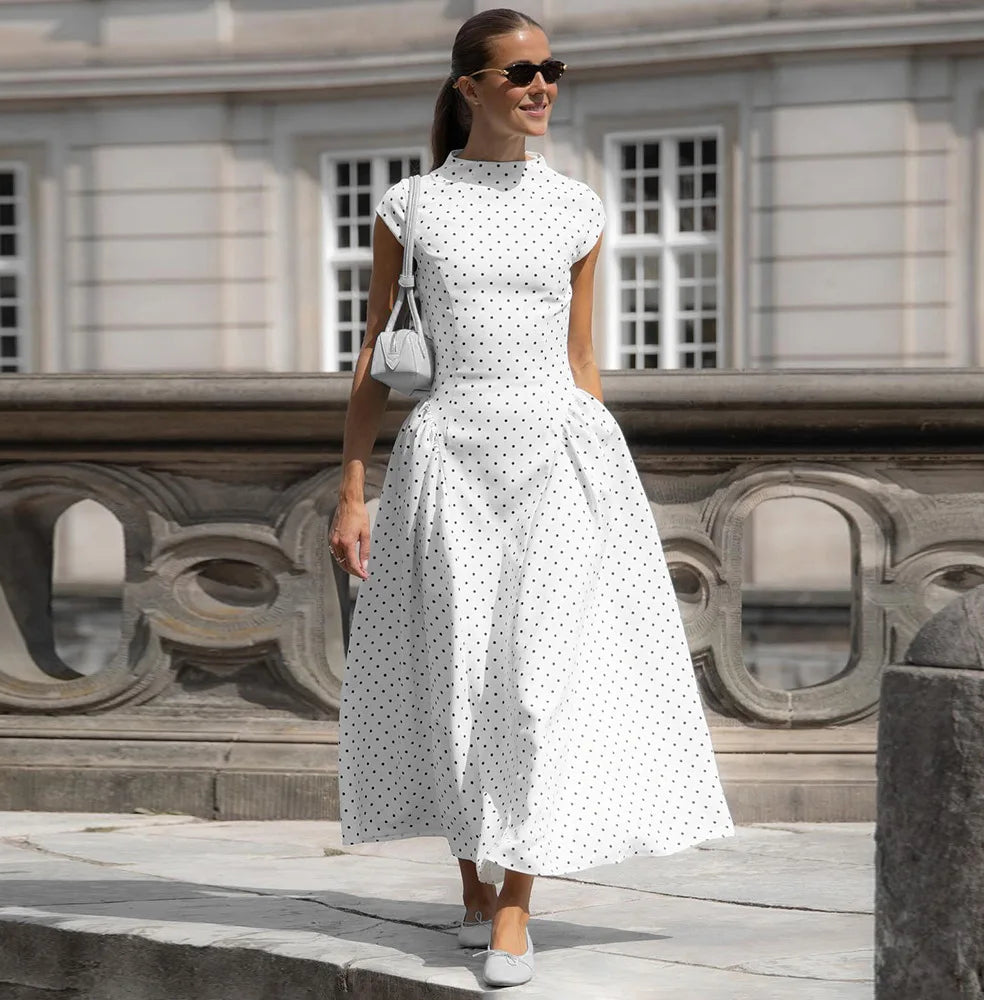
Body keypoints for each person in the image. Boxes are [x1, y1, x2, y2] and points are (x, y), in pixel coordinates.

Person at [329, 7, 736, 988]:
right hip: (448, 460)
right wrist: (352, 492)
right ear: (470, 86)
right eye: (519, 74)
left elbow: (582, 359)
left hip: (557, 457)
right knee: (459, 673)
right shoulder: (409, 207)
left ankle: (514, 907)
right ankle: (472, 880)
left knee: (533, 683)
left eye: (551, 69)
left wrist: (605, 485)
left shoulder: (580, 208)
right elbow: (376, 361)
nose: (541, 86)